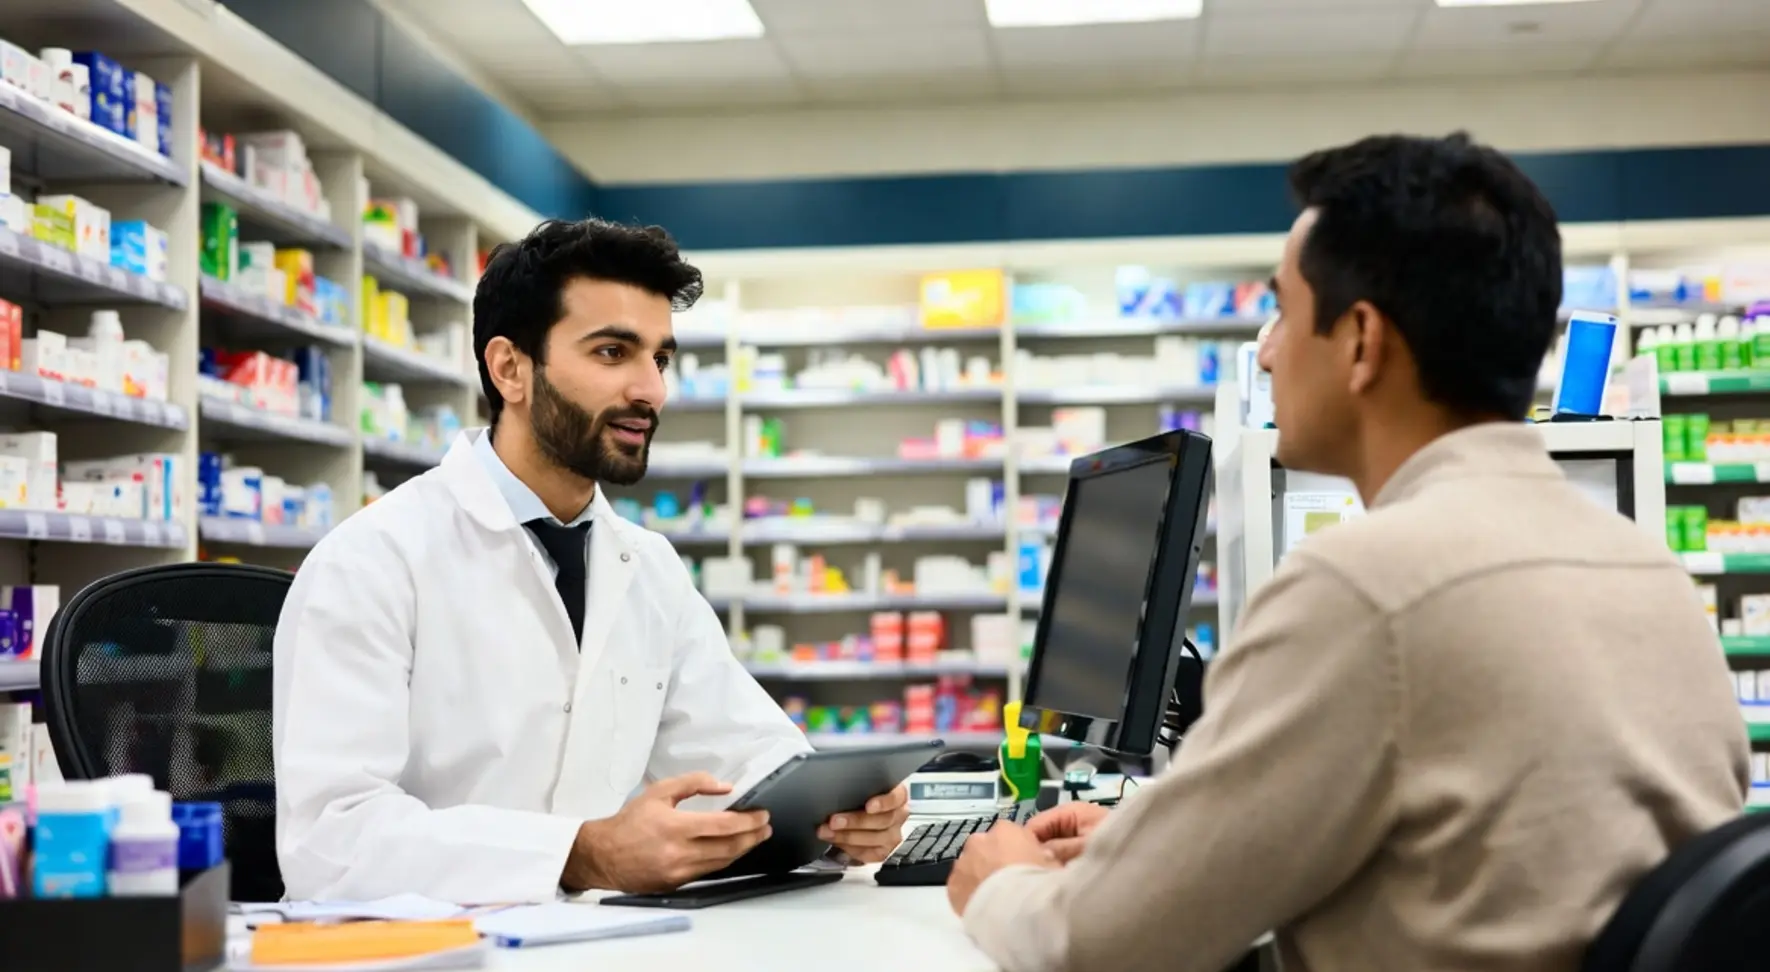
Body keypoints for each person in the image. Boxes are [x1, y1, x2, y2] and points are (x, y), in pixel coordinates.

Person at [946, 133, 1749, 972]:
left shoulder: (1362, 590)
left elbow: (1096, 948)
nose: (1264, 351)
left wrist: (1002, 882)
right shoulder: (1651, 575)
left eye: (1285, 313)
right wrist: (1162, 851)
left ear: (1362, 342)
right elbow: (1499, 863)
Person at [273, 218, 908, 903]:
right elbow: (328, 843)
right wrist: (581, 854)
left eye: (659, 359)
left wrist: (844, 814)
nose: (651, 391)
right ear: (510, 368)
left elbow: (746, 757)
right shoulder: (372, 562)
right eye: (613, 352)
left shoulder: (648, 569)